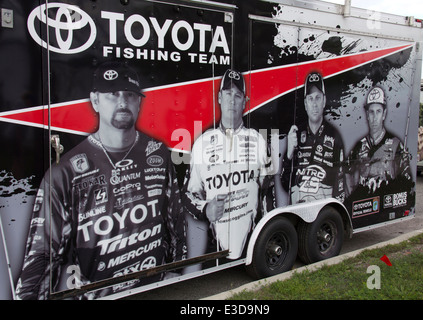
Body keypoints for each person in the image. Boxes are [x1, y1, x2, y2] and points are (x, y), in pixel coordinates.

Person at [15, 61, 186, 300]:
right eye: (112, 95)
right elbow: (42, 256)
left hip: (152, 287)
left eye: (129, 95)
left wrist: (175, 269)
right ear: (95, 101)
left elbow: (174, 218)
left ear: (139, 102)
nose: (122, 103)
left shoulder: (157, 151)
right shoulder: (64, 173)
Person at [183, 69, 273, 261]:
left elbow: (268, 190)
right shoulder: (202, 143)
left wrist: (267, 233)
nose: (232, 100)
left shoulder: (259, 140)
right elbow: (188, 193)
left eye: (238, 95)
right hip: (214, 247)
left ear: (244, 102)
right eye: (227, 93)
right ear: (219, 98)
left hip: (252, 243)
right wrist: (206, 208)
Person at [282, 72, 345, 204]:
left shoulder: (335, 136)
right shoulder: (296, 134)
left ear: (324, 101)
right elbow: (284, 184)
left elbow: (340, 186)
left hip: (321, 213)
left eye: (318, 98)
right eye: (310, 99)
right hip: (298, 212)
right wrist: (288, 155)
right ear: (305, 104)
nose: (314, 104)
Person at [346, 86, 411, 194]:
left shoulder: (395, 144)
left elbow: (406, 180)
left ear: (384, 114)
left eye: (378, 111)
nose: (375, 117)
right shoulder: (359, 145)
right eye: (371, 112)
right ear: (367, 114)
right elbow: (347, 173)